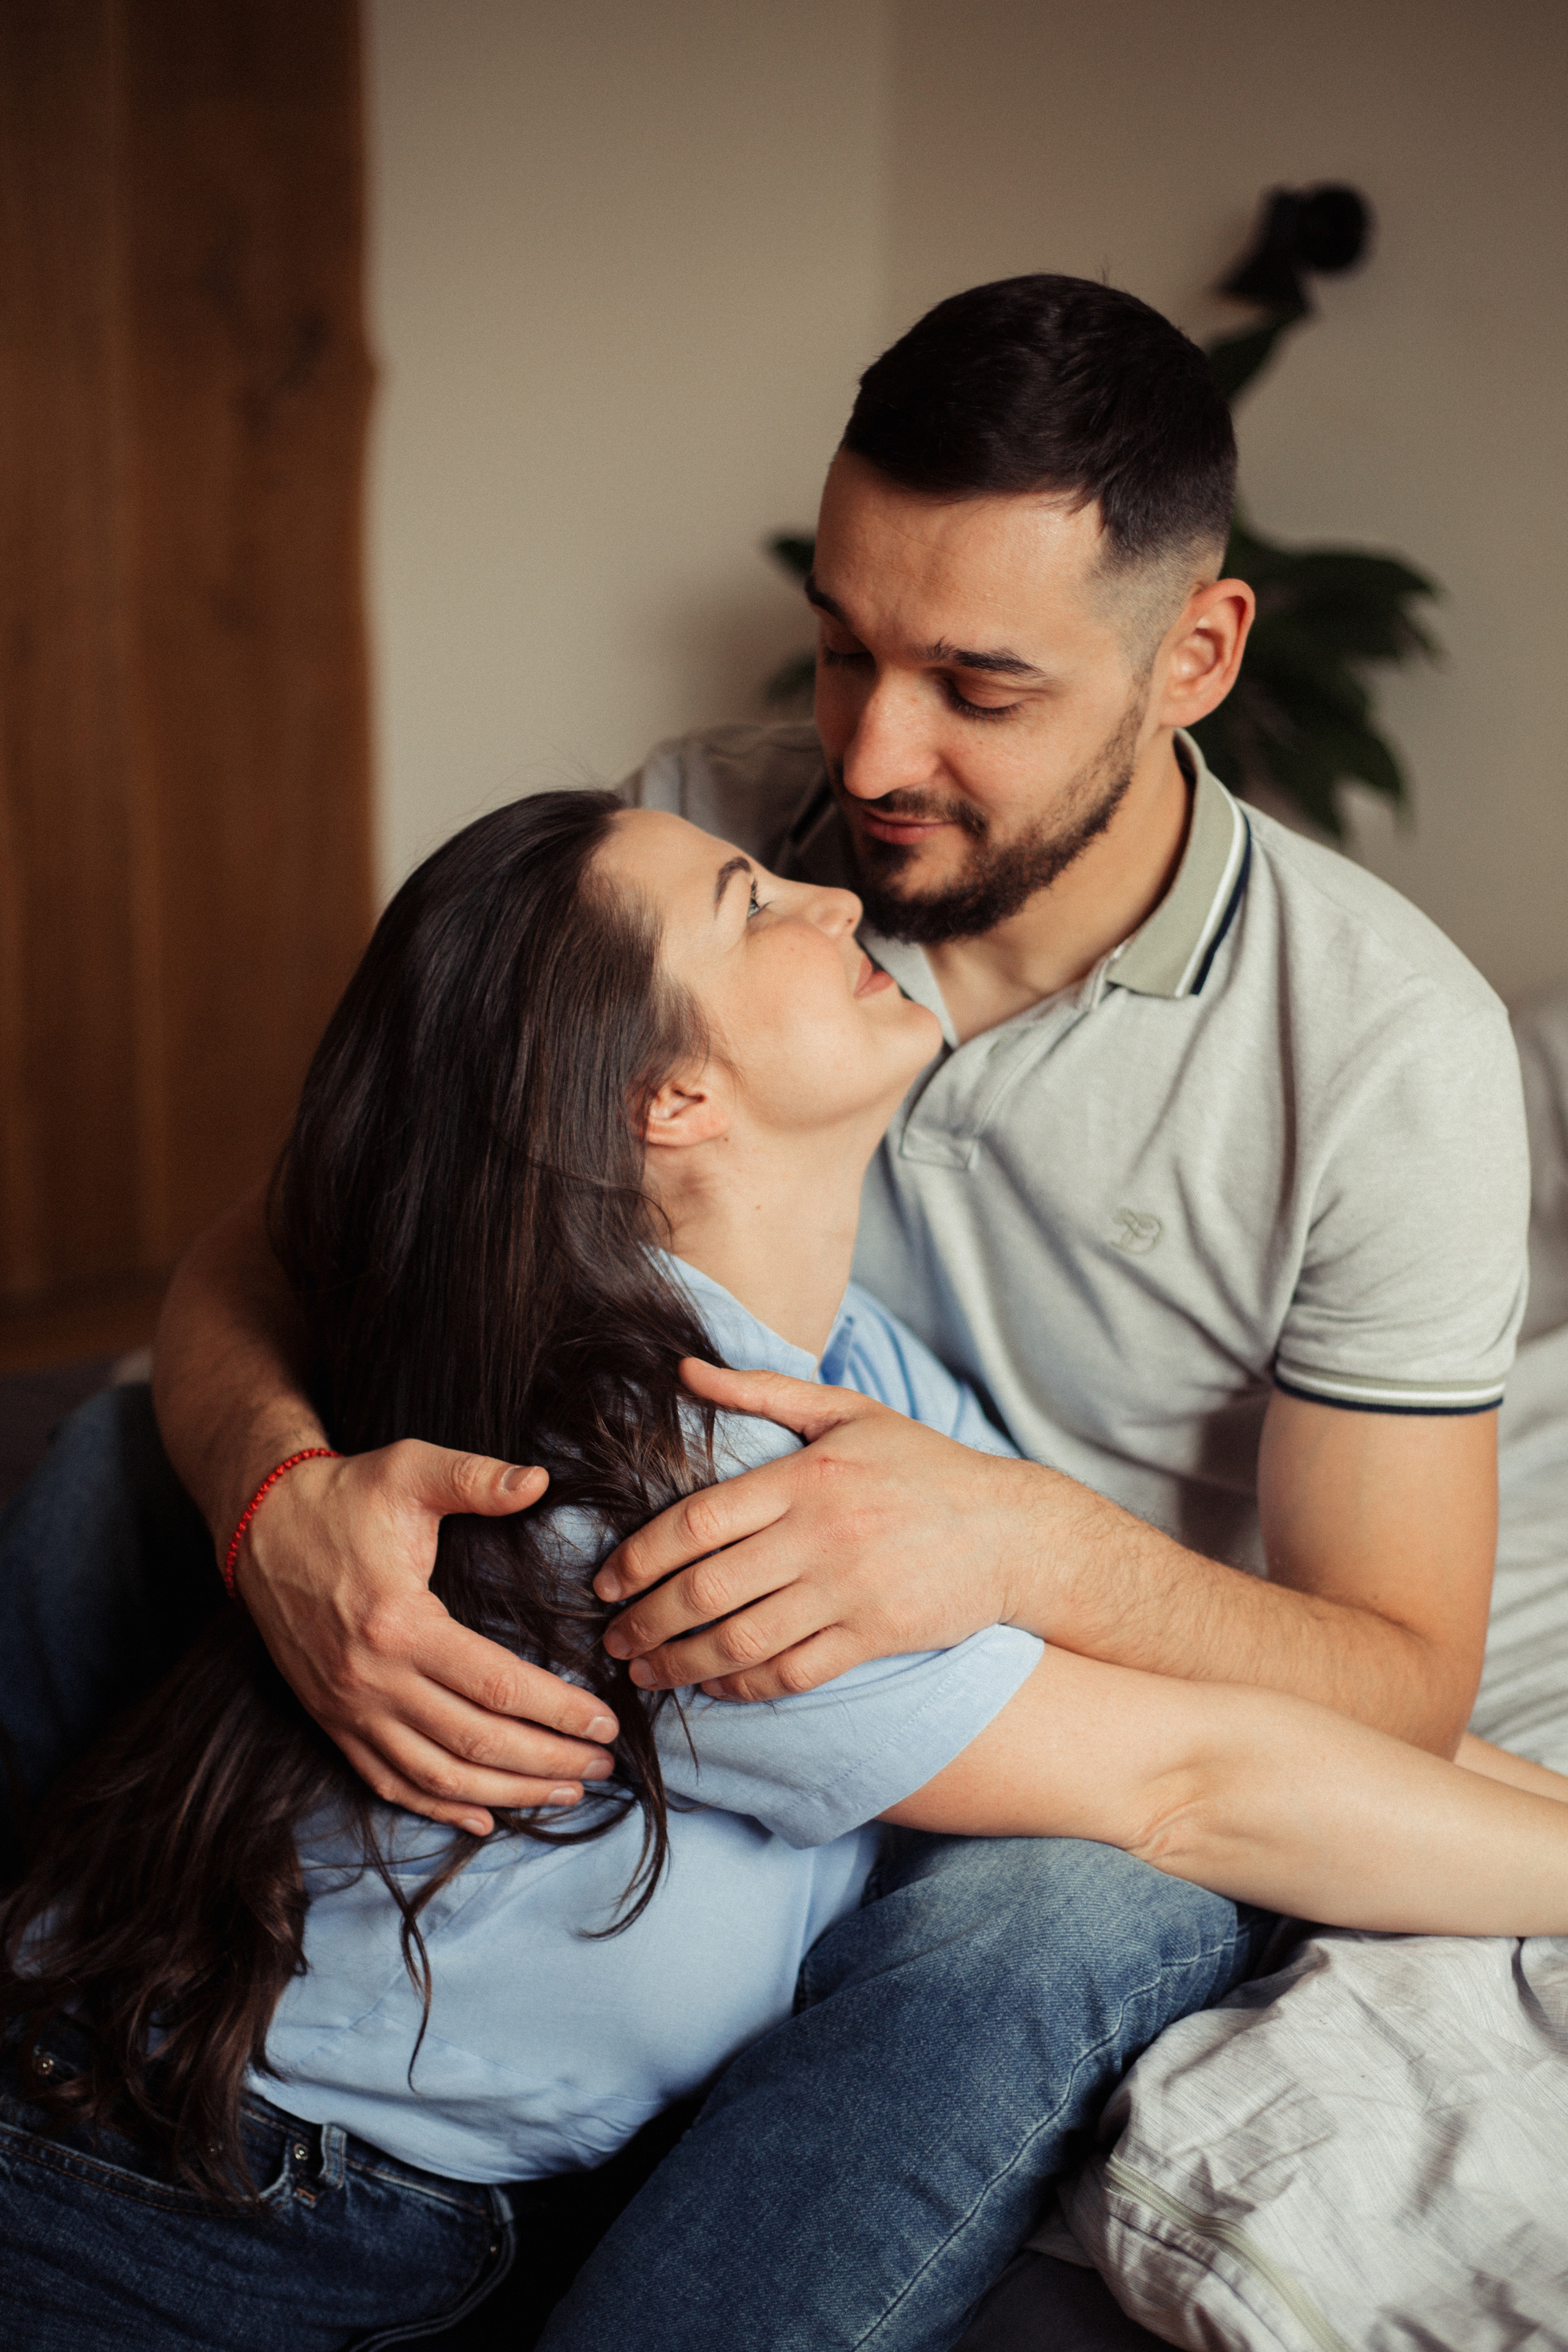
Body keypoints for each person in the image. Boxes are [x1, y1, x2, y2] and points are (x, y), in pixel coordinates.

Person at [0, 274, 1530, 2342]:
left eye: (978, 686)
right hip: (721, 1583)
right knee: (123, 1458)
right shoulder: (697, 829)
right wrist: (284, 1511)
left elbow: (1389, 1688)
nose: (866, 768)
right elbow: (300, 1236)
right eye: (843, 648)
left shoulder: (1380, 1054)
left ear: (1197, 653)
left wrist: (1015, 1535)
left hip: (1005, 1656)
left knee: (1089, 1891)